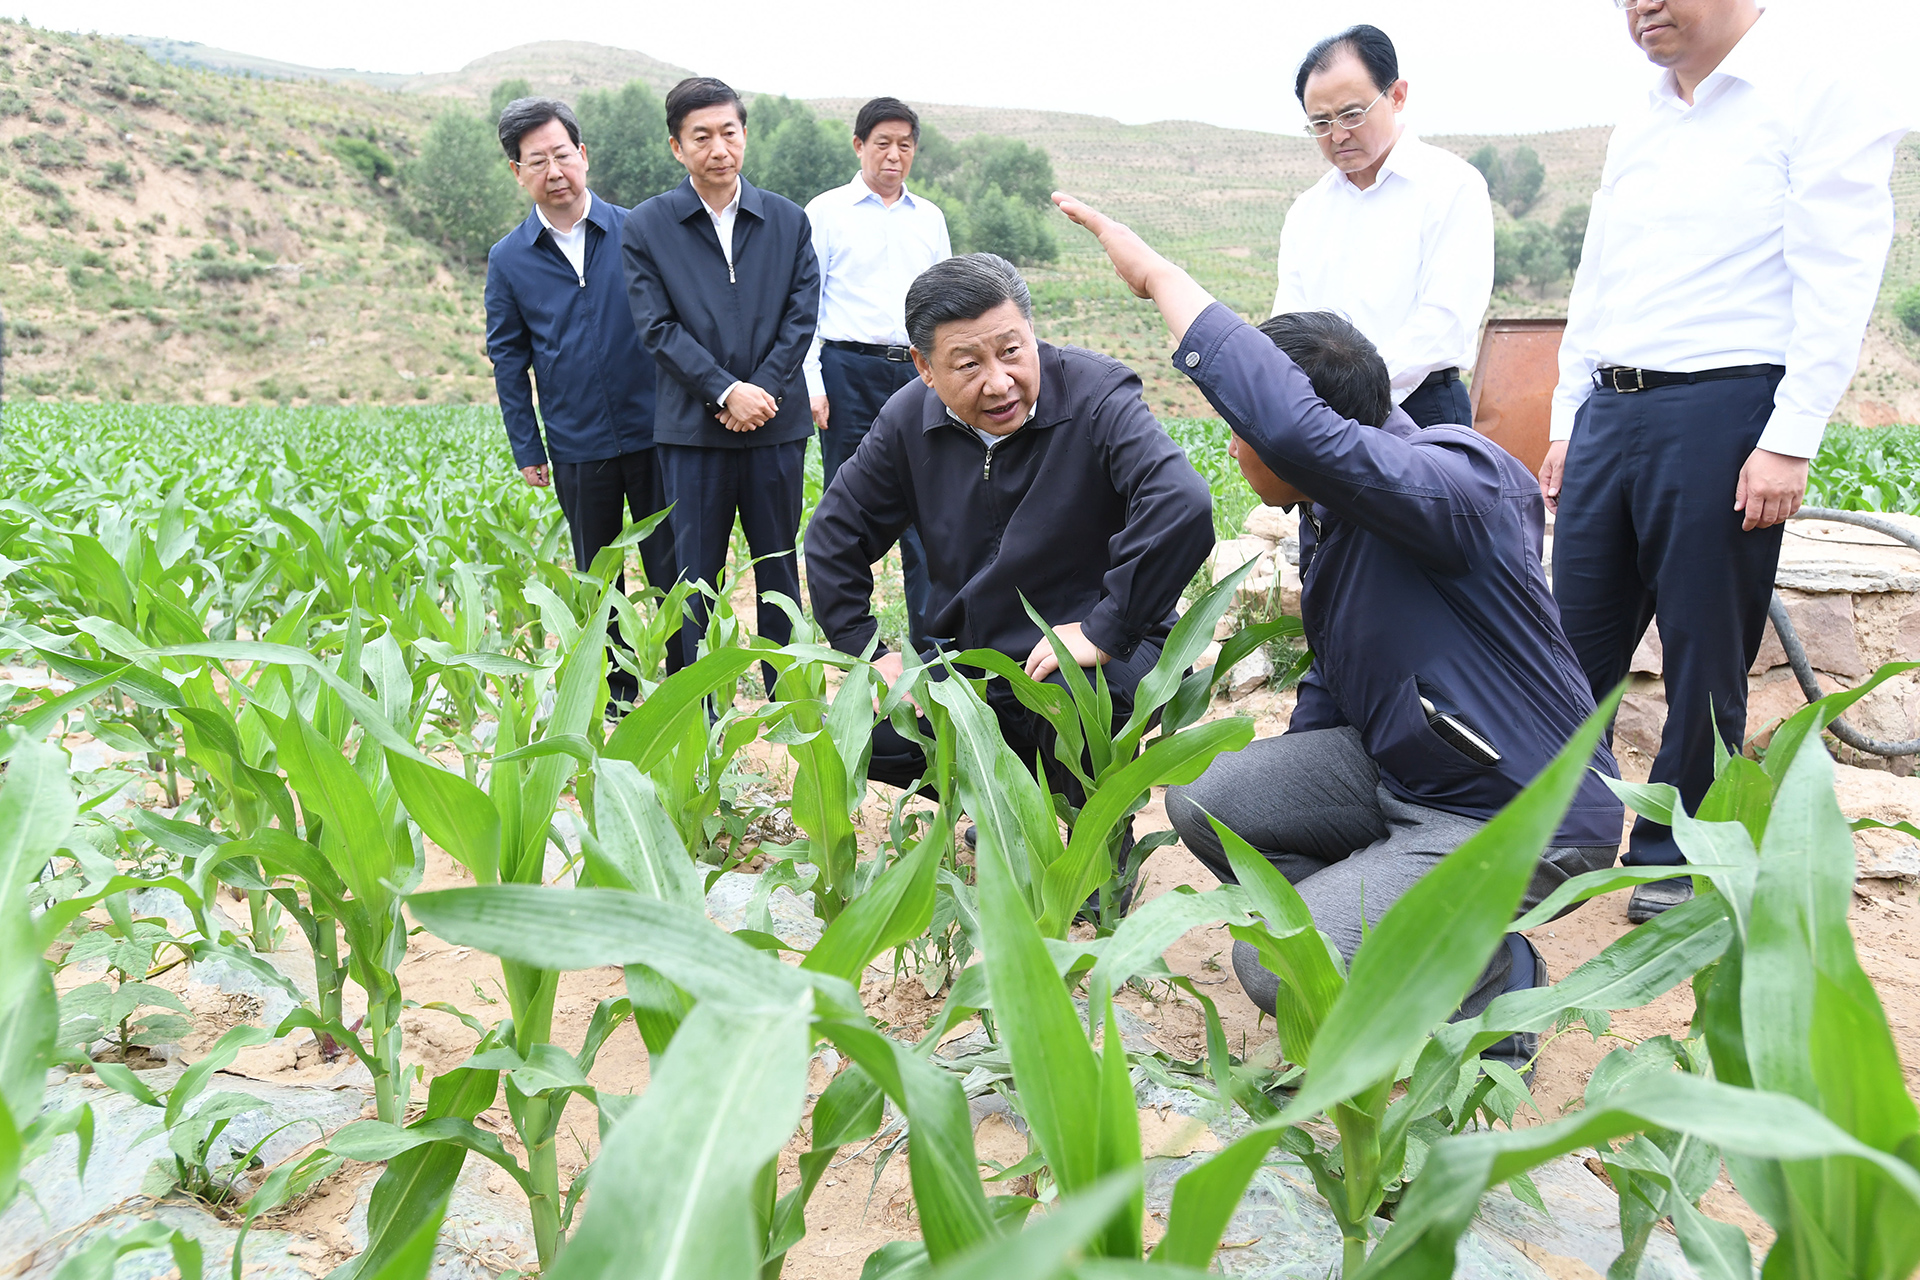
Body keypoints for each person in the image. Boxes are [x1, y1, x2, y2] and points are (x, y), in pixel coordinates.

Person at [1050, 193, 1623, 1053]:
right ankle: (1393, 920)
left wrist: (1160, 277)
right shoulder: (1334, 513)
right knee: (1208, 804)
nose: (1232, 450)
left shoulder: (1452, 484)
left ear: (1304, 438)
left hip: (1513, 816)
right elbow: (1337, 679)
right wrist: (1296, 796)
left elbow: (1294, 429)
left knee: (1282, 970)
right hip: (1410, 779)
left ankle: (1494, 977)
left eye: (1241, 432)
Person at [1538, 0, 1909, 921]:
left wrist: (1790, 435)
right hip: (1610, 406)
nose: (1641, 7)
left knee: (1705, 652)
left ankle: (1676, 854)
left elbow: (1839, 268)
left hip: (1725, 405)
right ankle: (1559, 834)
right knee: (1570, 643)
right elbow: (1599, 274)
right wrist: (1568, 415)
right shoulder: (1644, 113)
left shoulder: (1815, 87)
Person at [805, 253, 1214, 810]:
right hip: (977, 657)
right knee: (863, 735)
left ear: (1031, 330)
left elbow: (1181, 500)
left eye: (1011, 351)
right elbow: (834, 533)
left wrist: (1105, 628)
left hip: (1110, 647)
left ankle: (1095, 850)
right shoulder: (907, 420)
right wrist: (868, 651)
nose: (999, 383)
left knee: (1073, 705)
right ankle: (1012, 811)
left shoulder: (1096, 395)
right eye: (968, 364)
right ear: (925, 367)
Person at [620, 77, 820, 686]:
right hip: (693, 432)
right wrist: (726, 391)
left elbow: (801, 316)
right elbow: (656, 327)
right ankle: (699, 706)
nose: (718, 149)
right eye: (701, 137)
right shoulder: (648, 226)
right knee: (695, 577)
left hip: (775, 426)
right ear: (676, 147)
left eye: (728, 133)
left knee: (779, 567)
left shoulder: (787, 220)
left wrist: (760, 390)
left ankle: (787, 698)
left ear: (745, 135)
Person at [485, 96, 681, 713]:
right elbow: (508, 360)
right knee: (598, 578)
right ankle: (618, 698)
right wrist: (527, 446)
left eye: (563, 155)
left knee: (674, 568)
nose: (554, 171)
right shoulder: (509, 259)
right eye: (536, 161)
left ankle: (690, 688)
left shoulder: (638, 231)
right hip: (576, 443)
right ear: (517, 172)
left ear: (583, 155)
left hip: (659, 431)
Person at [1272, 25, 1492, 430]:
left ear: (1397, 96)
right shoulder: (1307, 211)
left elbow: (1444, 323)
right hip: (1325, 416)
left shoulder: (1451, 186)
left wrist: (1352, 393)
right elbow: (1290, 324)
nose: (1338, 135)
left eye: (1351, 115)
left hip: (1422, 407)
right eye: (1320, 123)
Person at [803, 97, 952, 654]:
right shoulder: (826, 212)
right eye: (883, 143)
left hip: (918, 372)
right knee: (849, 509)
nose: (894, 155)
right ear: (859, 145)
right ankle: (854, 645)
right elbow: (807, 303)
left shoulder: (929, 218)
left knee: (931, 508)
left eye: (905, 145)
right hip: (848, 371)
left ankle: (934, 652)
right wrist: (813, 381)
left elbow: (948, 304)